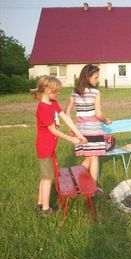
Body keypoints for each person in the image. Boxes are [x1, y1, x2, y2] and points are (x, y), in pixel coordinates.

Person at [33, 76, 87, 216]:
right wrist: (72, 139)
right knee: (47, 178)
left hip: (50, 147)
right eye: (56, 91)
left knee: (45, 176)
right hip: (45, 148)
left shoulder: (53, 103)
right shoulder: (43, 108)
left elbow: (66, 118)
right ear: (47, 90)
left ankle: (40, 203)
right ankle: (45, 209)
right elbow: (53, 130)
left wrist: (79, 134)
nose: (58, 93)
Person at [65, 64, 112, 194]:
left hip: (80, 130)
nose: (97, 80)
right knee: (95, 157)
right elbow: (98, 114)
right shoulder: (96, 92)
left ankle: (74, 180)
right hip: (93, 130)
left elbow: (67, 112)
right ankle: (92, 188)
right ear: (88, 77)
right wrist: (106, 120)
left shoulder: (75, 92)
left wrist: (72, 128)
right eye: (96, 77)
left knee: (89, 157)